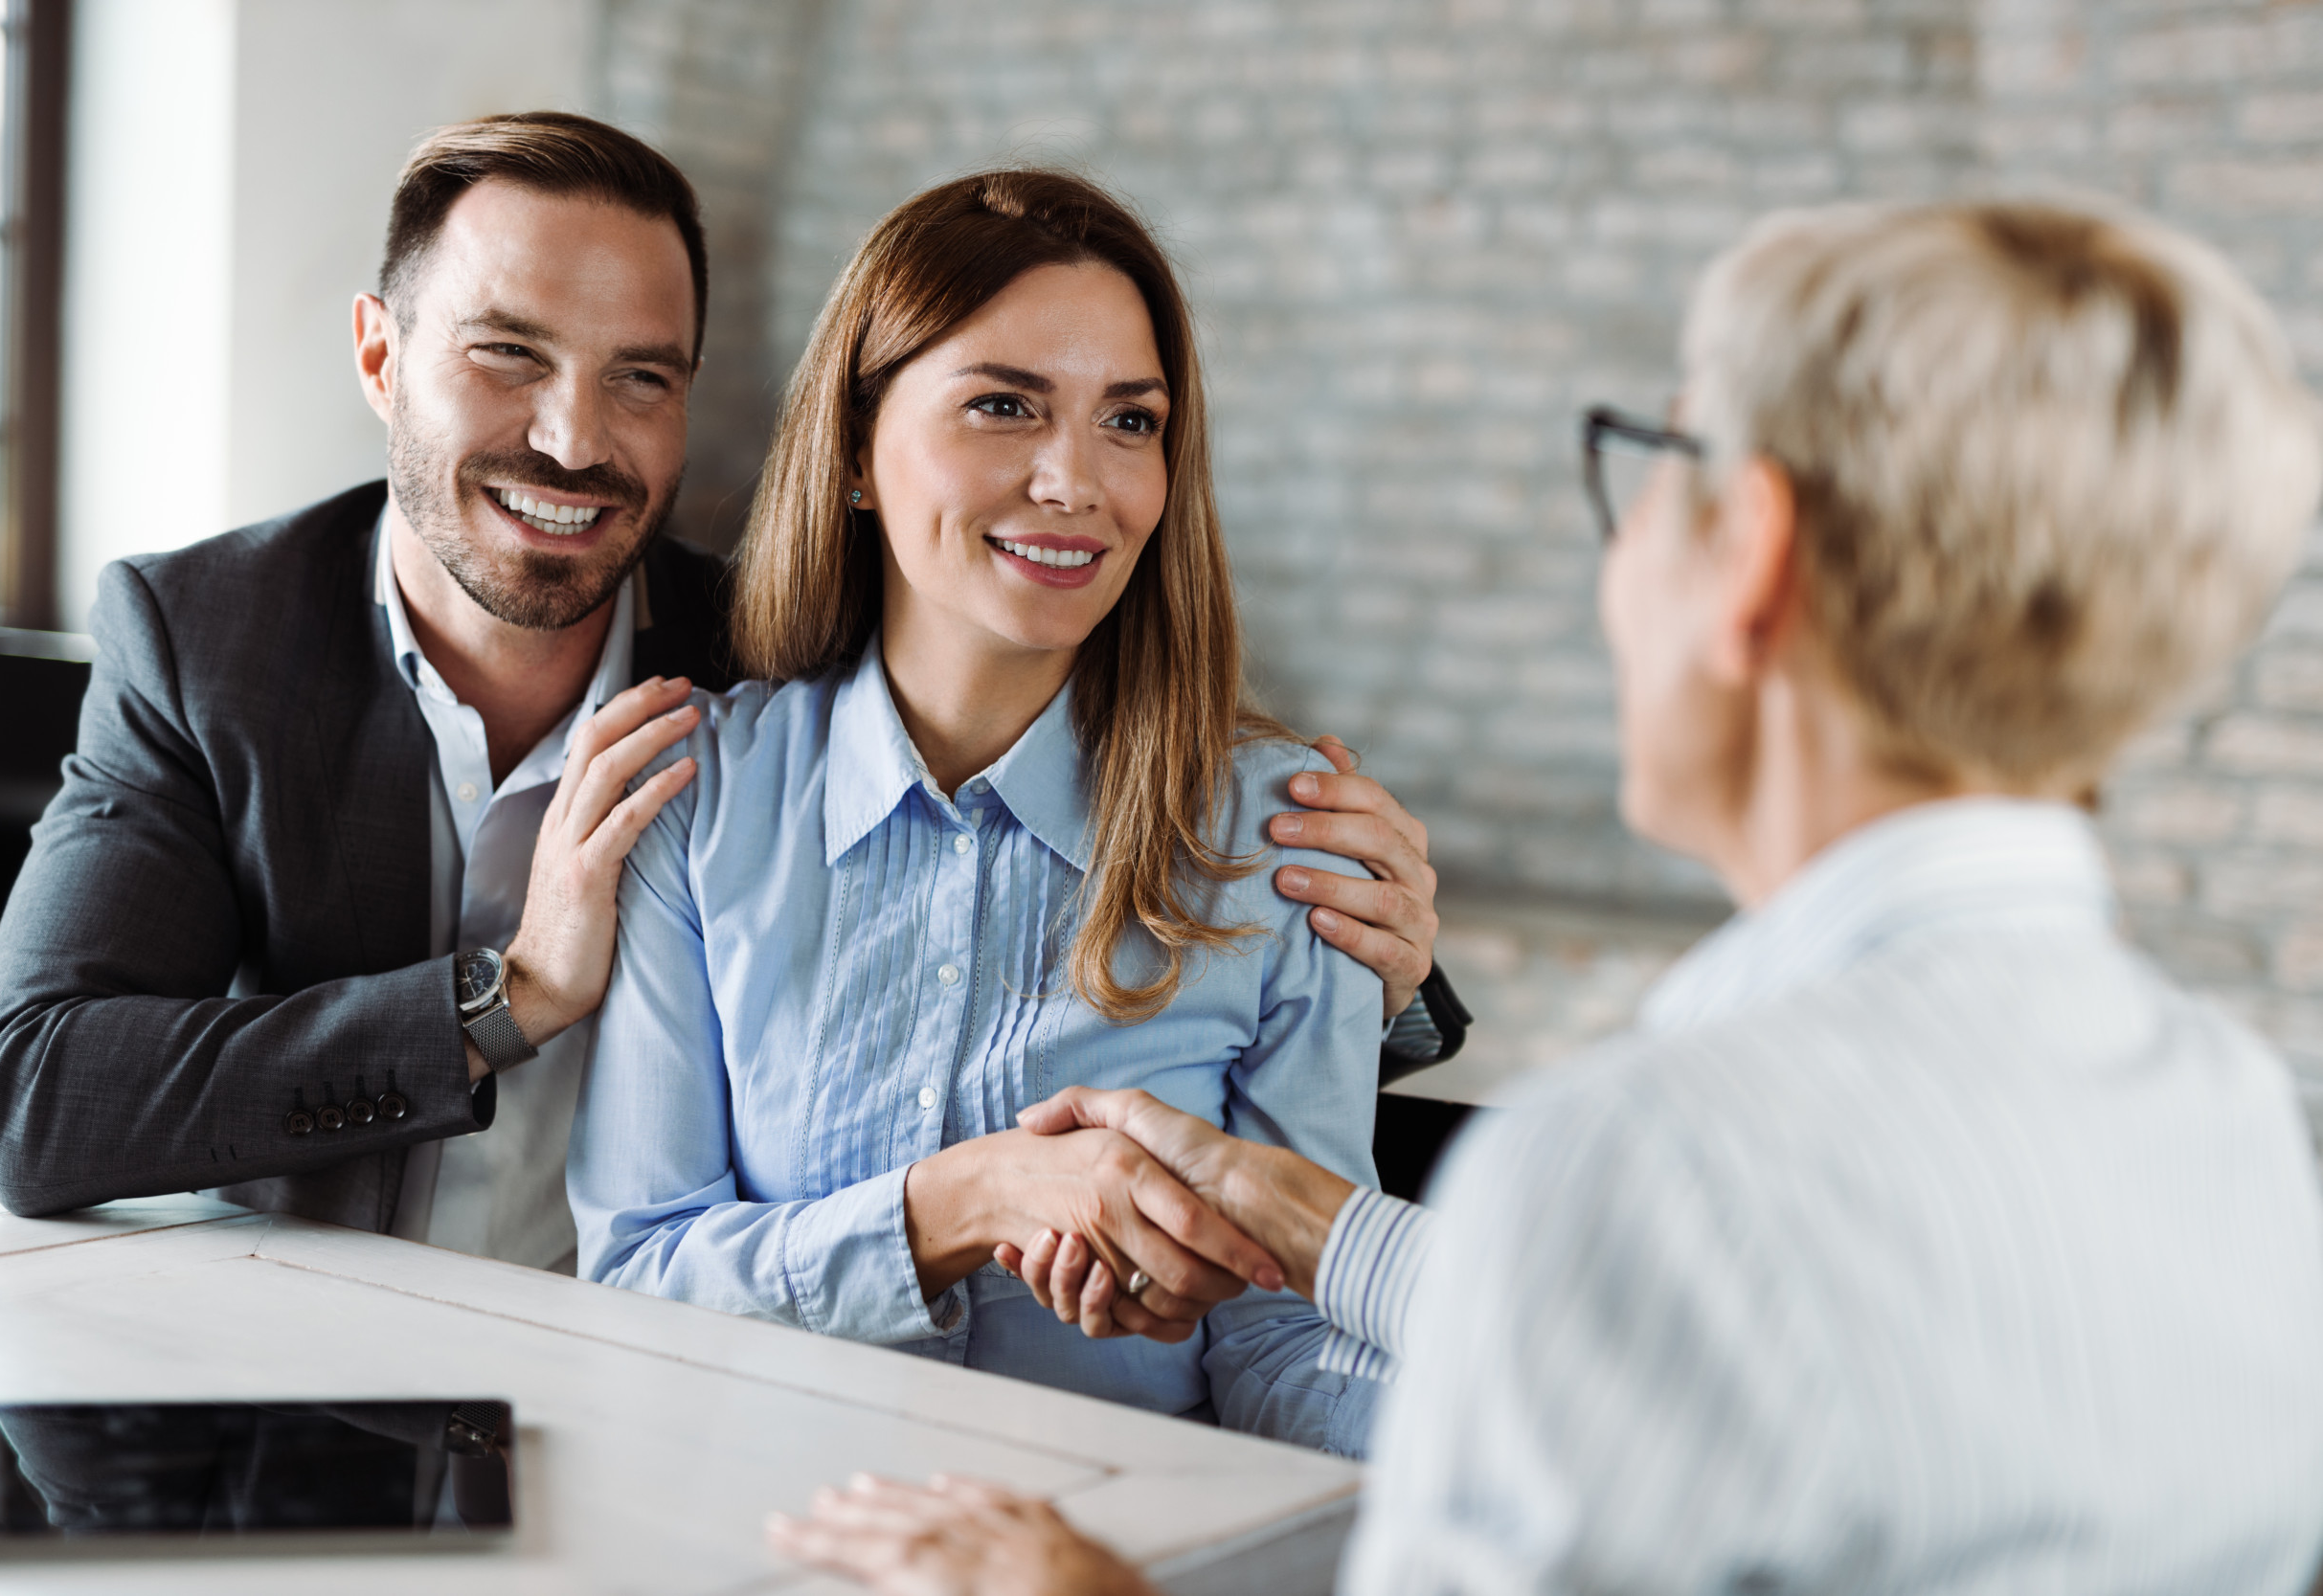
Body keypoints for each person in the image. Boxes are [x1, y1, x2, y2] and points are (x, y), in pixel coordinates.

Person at [772, 199, 2323, 1593]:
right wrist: (1309, 1227)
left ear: (1754, 557)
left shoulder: (1643, 1163)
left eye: (1657, 465)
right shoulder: (2241, 1122)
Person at [0, 114, 1453, 1275]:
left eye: (642, 379)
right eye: (507, 355)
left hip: (663, 1372)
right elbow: (37, 1099)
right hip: (300, 1369)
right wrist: (508, 997)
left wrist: (1375, 977)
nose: (573, 438)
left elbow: (1083, 757)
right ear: (380, 354)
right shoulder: (211, 635)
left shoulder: (775, 659)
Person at [567, 169, 1388, 1456]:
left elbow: (1292, 1344)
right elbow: (637, 1279)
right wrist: (953, 1208)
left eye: (1130, 420)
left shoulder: (1284, 835)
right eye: (1005, 405)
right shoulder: (698, 803)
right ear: (854, 452)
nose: (1077, 481)